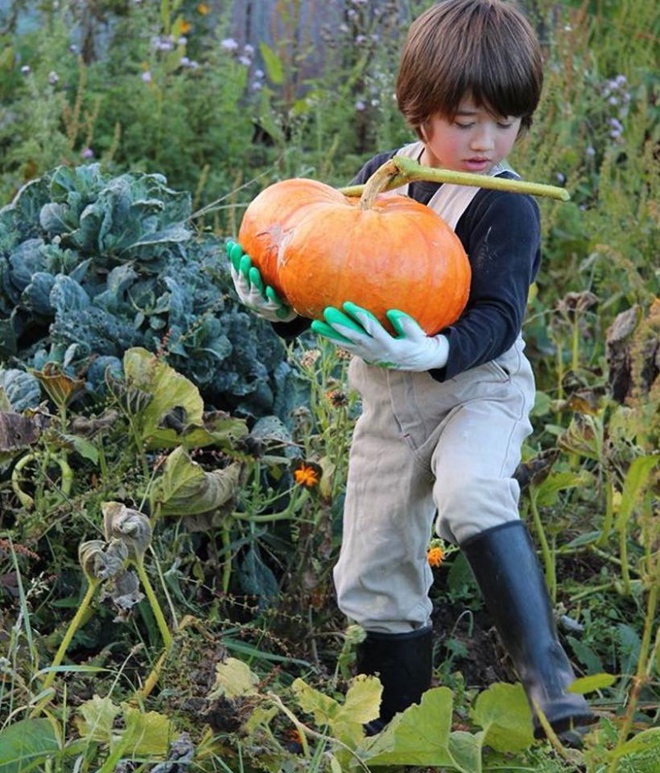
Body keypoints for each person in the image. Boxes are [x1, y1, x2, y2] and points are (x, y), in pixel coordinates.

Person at [226, 0, 594, 741]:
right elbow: (338, 278)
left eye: (506, 121)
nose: (488, 141)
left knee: (471, 485)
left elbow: (497, 317)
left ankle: (550, 680)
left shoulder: (507, 210)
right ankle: (395, 731)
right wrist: (282, 307)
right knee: (373, 570)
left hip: (475, 389)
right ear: (419, 112)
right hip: (390, 409)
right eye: (466, 121)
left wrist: (434, 350)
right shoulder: (382, 182)